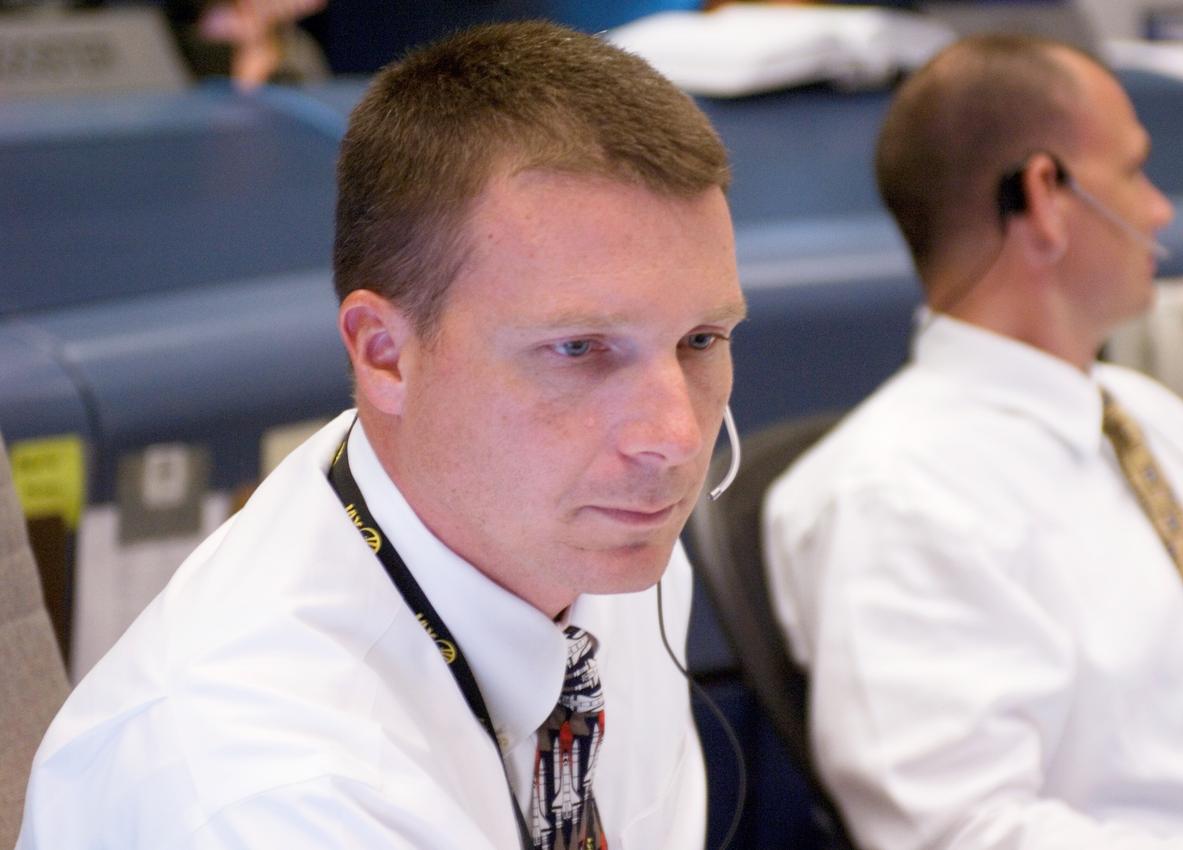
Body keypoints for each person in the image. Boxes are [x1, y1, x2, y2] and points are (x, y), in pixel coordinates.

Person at [18, 21, 745, 849]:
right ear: (385, 356)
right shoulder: (267, 795)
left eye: (701, 341)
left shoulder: (603, 546)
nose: (676, 439)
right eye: (578, 349)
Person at [765, 33, 1183, 850]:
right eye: (1135, 170)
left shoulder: (1150, 419)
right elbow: (965, 831)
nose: (1159, 209)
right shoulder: (895, 496)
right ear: (1046, 194)